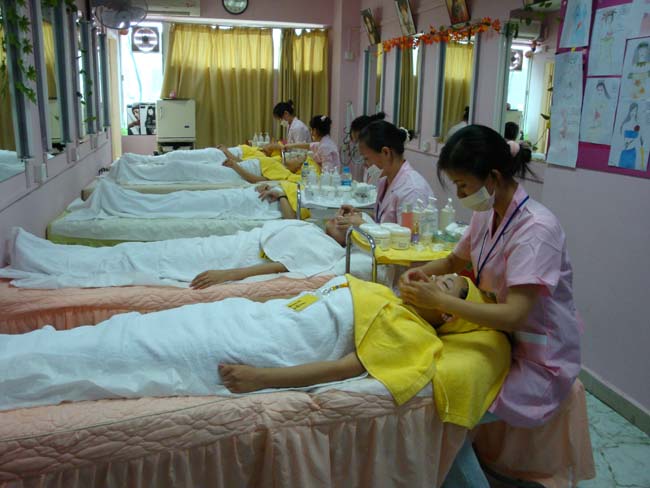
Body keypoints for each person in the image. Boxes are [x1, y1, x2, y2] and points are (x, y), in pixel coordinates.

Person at [0, 272, 487, 412]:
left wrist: (262, 378)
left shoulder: (413, 334)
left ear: (450, 314)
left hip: (264, 345)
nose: (433, 280)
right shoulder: (386, 294)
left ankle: (17, 370)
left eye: (446, 285)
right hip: (251, 318)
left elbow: (346, 369)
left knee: (126, 353)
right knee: (130, 329)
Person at [399, 124, 581, 430]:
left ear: (493, 178)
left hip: (537, 356)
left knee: (449, 399)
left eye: (463, 185)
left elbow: (514, 315)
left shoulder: (536, 230)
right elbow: (454, 260)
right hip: (496, 337)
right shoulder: (485, 213)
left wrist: (440, 300)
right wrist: (417, 273)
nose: (459, 195)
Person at [0, 220, 379, 290]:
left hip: (229, 257)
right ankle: (46, 254)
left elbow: (280, 265)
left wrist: (227, 275)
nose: (339, 217)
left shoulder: (327, 249)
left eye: (347, 220)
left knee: (142, 260)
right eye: (341, 214)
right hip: (229, 243)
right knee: (146, 251)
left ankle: (42, 259)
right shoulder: (312, 229)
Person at [328, 120, 434, 244]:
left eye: (366, 159)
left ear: (386, 153)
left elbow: (408, 242)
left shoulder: (412, 190)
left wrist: (362, 225)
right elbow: (385, 220)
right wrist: (360, 214)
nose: (365, 165)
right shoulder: (385, 180)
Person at [349, 111, 386, 183]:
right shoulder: (370, 164)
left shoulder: (381, 166)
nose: (357, 147)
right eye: (355, 142)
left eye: (358, 141)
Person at [617, 102, 645, 170]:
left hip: (632, 152)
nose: (633, 113)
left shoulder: (638, 125)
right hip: (624, 151)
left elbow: (641, 140)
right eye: (632, 110)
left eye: (635, 111)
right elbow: (621, 139)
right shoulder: (625, 124)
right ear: (629, 111)